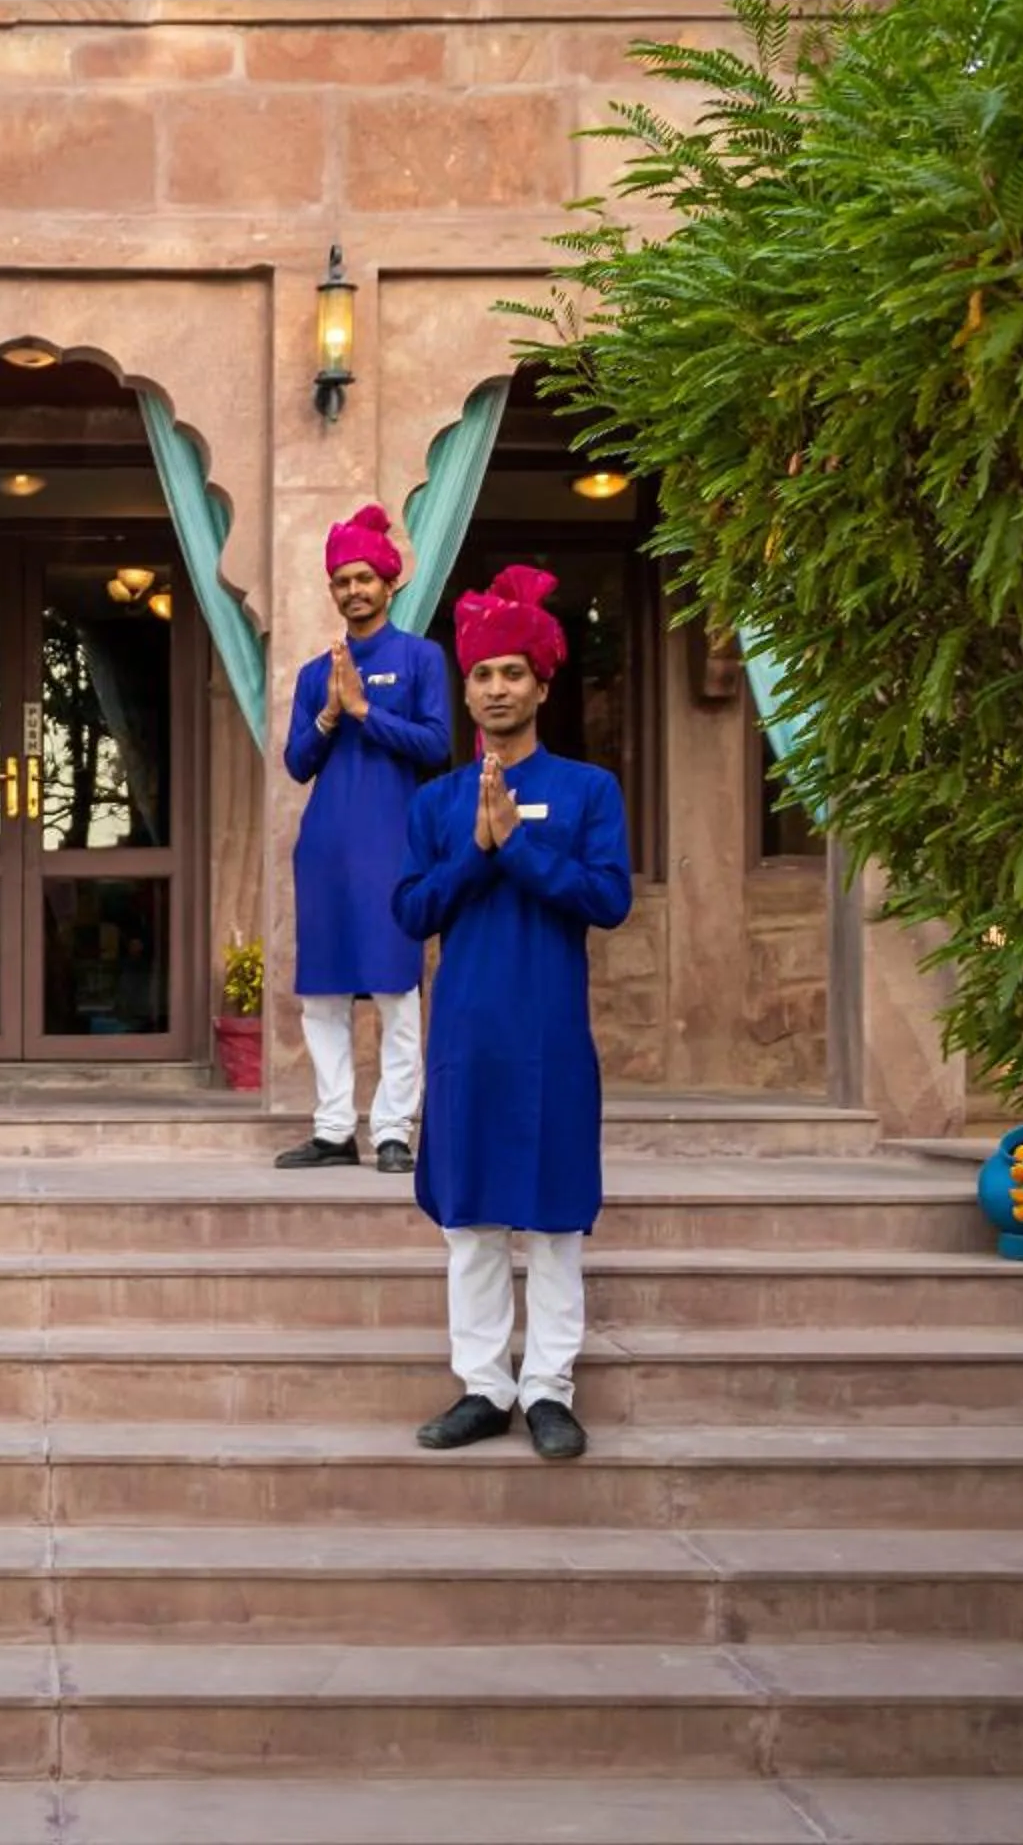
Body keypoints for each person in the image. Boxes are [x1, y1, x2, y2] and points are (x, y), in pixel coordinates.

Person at [391, 563, 632, 1461]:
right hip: (467, 1033)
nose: (497, 688)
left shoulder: (588, 790)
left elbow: (608, 899)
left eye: (513, 674)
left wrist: (517, 846)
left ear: (542, 685)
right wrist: (478, 851)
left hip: (551, 1034)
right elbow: (413, 910)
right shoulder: (437, 801)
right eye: (483, 674)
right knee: (472, 1222)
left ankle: (549, 1390)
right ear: (466, 690)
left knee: (558, 1221)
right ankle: (485, 1386)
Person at [277, 504, 453, 1174]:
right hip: (325, 848)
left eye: (363, 579)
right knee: (323, 993)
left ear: (389, 583)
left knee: (394, 989)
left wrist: (364, 711)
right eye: (342, 581)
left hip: (393, 844)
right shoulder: (314, 673)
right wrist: (329, 713)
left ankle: (393, 1131)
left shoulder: (420, 658)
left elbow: (436, 746)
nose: (353, 590)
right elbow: (297, 764)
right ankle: (332, 1130)